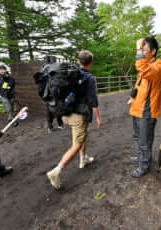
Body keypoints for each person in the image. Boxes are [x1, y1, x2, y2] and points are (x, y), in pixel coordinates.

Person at [46, 50, 102, 189]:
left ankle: (83, 160)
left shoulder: (71, 73)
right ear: (90, 63)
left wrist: (63, 114)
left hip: (67, 112)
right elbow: (93, 100)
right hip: (79, 115)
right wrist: (98, 118)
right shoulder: (89, 78)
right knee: (76, 145)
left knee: (83, 135)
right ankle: (56, 171)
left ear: (79, 61)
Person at [128, 37, 161, 178]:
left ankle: (144, 166)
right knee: (138, 137)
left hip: (147, 110)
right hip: (137, 106)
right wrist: (132, 96)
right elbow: (140, 82)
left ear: (153, 51)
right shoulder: (147, 62)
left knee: (145, 140)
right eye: (141, 49)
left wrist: (138, 48)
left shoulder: (158, 65)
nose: (142, 52)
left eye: (144, 49)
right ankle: (141, 158)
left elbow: (143, 70)